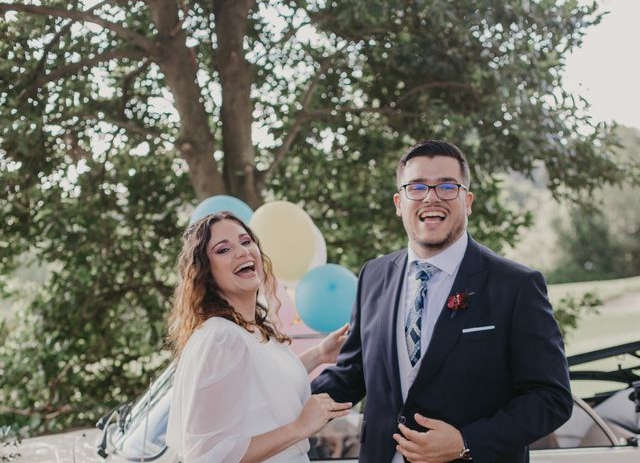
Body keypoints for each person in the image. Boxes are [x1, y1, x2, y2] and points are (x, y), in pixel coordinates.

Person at [311, 140, 573, 463]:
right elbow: (351, 376)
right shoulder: (373, 276)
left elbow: (551, 398)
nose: (431, 197)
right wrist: (278, 399)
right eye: (417, 187)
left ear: (468, 201)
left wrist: (467, 442)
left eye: (448, 186)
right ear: (398, 202)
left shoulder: (516, 285)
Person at [165, 211, 352, 463]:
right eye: (223, 249)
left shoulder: (253, 329)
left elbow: (263, 382)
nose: (242, 252)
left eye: (246, 241)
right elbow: (206, 456)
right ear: (206, 273)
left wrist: (319, 354)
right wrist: (300, 427)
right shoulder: (220, 338)